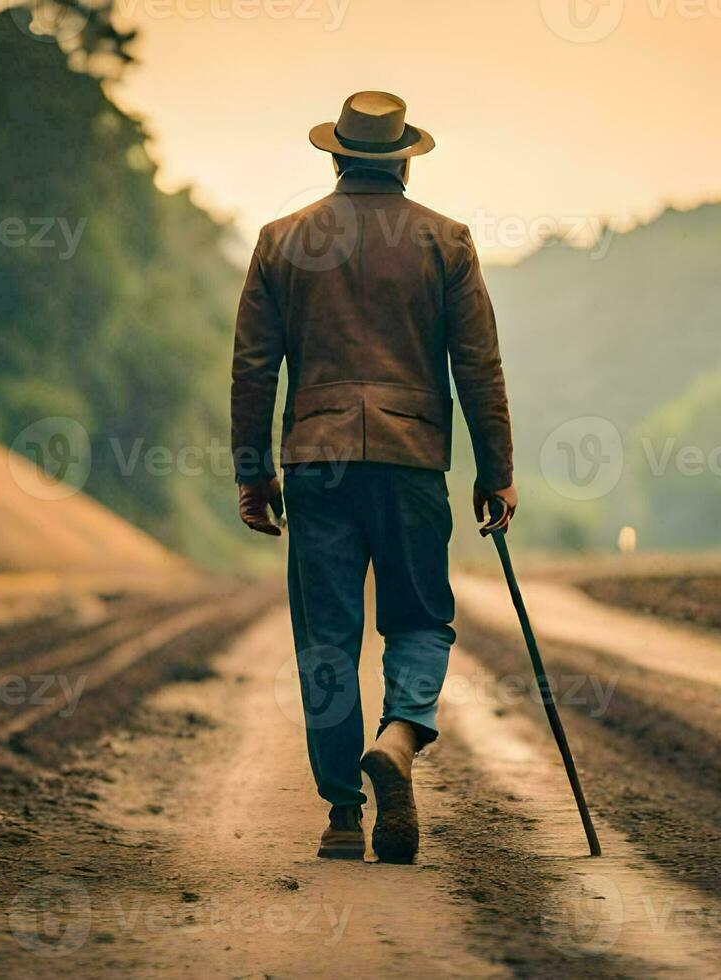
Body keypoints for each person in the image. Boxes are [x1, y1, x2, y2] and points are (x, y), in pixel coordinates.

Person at [230, 91, 515, 863]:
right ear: (402, 160)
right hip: (412, 461)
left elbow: (255, 369)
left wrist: (253, 473)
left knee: (326, 638)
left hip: (316, 461)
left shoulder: (281, 240)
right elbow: (478, 365)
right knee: (420, 616)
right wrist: (496, 471)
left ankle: (342, 818)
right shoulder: (444, 241)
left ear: (335, 156)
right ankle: (397, 735)